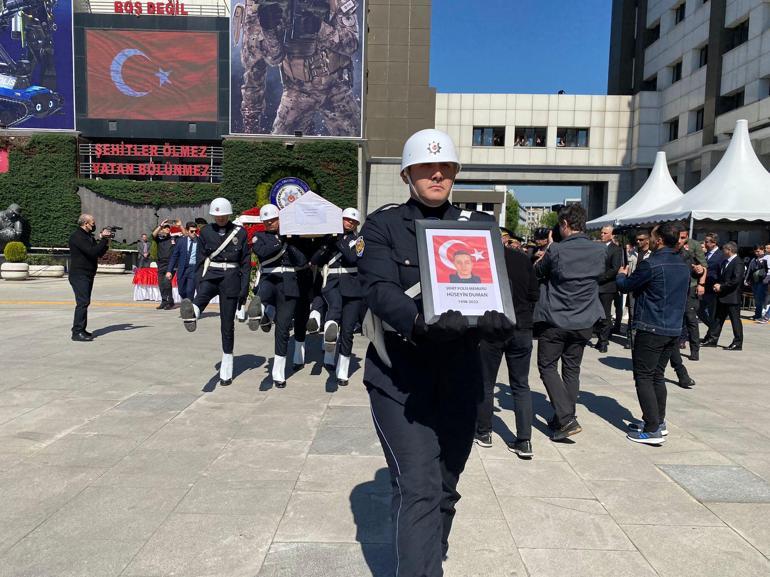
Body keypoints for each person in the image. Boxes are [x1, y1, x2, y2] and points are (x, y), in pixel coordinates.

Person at [358, 128, 512, 576]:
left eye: (445, 167)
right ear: (408, 174)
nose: (437, 174)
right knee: (419, 487)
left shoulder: (479, 226)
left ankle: (428, 554)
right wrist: (418, 320)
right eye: (426, 167)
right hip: (401, 377)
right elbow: (380, 289)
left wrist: (502, 317)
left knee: (445, 485)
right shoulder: (382, 225)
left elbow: (493, 286)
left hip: (461, 376)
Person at [533, 204, 606, 441]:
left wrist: (547, 251)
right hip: (585, 320)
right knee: (572, 370)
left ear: (564, 224)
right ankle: (565, 416)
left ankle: (565, 418)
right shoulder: (599, 250)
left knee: (547, 366)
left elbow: (537, 271)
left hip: (556, 319)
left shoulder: (556, 251)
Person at [617, 222, 690, 445]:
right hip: (672, 327)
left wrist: (621, 275)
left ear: (658, 240)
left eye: (652, 236)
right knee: (657, 375)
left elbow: (626, 286)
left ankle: (652, 429)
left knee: (644, 377)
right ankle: (658, 421)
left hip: (652, 326)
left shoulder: (651, 264)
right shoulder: (682, 264)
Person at [475, 228, 540, 458]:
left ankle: (484, 432)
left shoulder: (482, 261)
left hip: (491, 327)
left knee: (485, 382)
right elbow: (534, 294)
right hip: (521, 326)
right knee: (521, 385)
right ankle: (524, 440)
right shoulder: (523, 259)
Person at [179, 198, 251, 387]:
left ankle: (227, 366)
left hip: (231, 276)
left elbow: (245, 262)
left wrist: (243, 291)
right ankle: (192, 314)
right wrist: (199, 281)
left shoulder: (240, 232)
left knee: (227, 325)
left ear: (228, 214)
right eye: (216, 215)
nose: (220, 218)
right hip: (211, 274)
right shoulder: (206, 232)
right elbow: (201, 259)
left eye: (223, 215)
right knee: (201, 297)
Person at [248, 203, 313, 388]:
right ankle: (258, 310)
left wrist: (289, 241)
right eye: (266, 221)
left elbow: (302, 260)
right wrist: (282, 241)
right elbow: (262, 252)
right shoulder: (258, 237)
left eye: (273, 220)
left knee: (283, 329)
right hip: (269, 277)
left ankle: (278, 373)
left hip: (289, 283)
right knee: (263, 295)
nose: (270, 223)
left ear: (280, 219)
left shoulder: (293, 238)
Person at [310, 207, 363, 386]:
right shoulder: (328, 237)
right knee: (333, 315)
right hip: (331, 283)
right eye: (346, 219)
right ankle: (329, 358)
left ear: (356, 224)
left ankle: (343, 370)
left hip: (353, 287)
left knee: (347, 331)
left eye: (352, 221)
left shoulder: (359, 240)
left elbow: (353, 258)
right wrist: (326, 244)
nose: (349, 223)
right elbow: (316, 260)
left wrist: (338, 240)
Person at [67, 214, 111, 342]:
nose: (94, 225)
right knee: (82, 303)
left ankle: (81, 328)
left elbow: (98, 253)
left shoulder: (87, 236)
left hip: (87, 274)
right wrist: (102, 239)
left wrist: (105, 240)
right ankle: (77, 332)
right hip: (79, 275)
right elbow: (92, 251)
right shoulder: (77, 236)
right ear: (85, 223)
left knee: (85, 302)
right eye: (92, 223)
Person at [702, 241, 744, 350]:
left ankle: (737, 342)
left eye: (724, 250)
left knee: (735, 320)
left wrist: (722, 286)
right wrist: (718, 285)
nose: (722, 252)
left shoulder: (737, 262)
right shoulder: (726, 262)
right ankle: (713, 339)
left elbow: (736, 280)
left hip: (732, 297)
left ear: (729, 250)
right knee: (718, 319)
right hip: (723, 296)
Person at [676, 228, 707, 360]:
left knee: (691, 319)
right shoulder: (671, 247)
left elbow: (704, 267)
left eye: (683, 238)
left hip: (690, 286)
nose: (680, 240)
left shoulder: (693, 246)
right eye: (678, 237)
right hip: (674, 288)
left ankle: (695, 350)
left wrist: (701, 284)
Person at [595, 225, 623, 353]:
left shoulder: (616, 249)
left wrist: (601, 278)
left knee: (605, 314)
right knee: (596, 314)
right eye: (601, 232)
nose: (602, 235)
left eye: (605, 233)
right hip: (595, 286)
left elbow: (614, 268)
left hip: (607, 287)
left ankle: (604, 342)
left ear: (611, 235)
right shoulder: (597, 247)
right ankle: (599, 338)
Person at [167, 221, 202, 300]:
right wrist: (169, 270)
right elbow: (174, 256)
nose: (194, 233)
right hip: (182, 269)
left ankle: (190, 308)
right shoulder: (181, 241)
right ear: (187, 231)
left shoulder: (200, 241)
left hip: (193, 269)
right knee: (181, 291)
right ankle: (188, 303)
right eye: (192, 231)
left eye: (195, 231)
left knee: (190, 291)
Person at [698, 232, 724, 333]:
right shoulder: (705, 254)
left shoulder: (720, 255)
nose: (705, 243)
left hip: (713, 288)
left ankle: (712, 334)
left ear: (714, 243)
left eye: (707, 242)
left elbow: (721, 272)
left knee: (712, 313)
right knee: (700, 311)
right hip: (704, 287)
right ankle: (713, 330)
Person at [152, 220, 176, 310]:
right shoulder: (159, 238)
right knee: (161, 284)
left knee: (167, 282)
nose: (167, 229)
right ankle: (164, 301)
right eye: (165, 228)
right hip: (161, 263)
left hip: (170, 264)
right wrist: (160, 225)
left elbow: (184, 234)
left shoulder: (173, 238)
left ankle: (170, 302)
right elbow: (153, 235)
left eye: (168, 228)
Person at [745, 245, 768, 320]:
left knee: (759, 298)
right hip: (754, 281)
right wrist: (746, 279)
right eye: (755, 251)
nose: (757, 253)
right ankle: (757, 314)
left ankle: (759, 315)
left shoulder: (766, 259)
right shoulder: (753, 259)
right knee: (756, 298)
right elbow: (749, 270)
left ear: (763, 251)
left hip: (762, 281)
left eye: (758, 251)